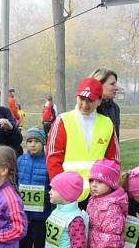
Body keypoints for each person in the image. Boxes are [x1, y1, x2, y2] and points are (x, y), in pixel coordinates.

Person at [46, 77, 119, 208]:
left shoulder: (107, 123)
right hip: (67, 196)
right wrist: (62, 190)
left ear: (99, 101)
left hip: (98, 196)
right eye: (81, 99)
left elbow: (113, 160)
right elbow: (53, 158)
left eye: (90, 101)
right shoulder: (63, 120)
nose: (84, 105)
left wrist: (106, 189)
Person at [17, 128, 51, 248]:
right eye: (29, 141)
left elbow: (52, 186)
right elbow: (15, 181)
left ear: (43, 143)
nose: (32, 145)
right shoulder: (20, 160)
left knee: (40, 244)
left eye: (36, 141)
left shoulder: (48, 162)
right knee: (23, 243)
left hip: (41, 214)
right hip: (24, 214)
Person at [91, 68, 121, 139]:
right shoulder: (88, 107)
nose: (116, 88)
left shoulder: (115, 108)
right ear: (99, 84)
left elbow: (115, 139)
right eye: (112, 84)